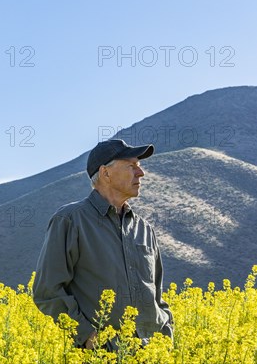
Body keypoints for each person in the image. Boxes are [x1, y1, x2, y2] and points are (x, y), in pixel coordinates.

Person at [32, 139, 173, 349]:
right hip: (102, 355)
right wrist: (89, 339)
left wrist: (166, 338)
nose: (140, 173)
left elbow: (158, 297)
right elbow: (48, 291)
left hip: (152, 354)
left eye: (140, 166)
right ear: (105, 173)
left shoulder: (145, 230)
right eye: (132, 166)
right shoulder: (70, 220)